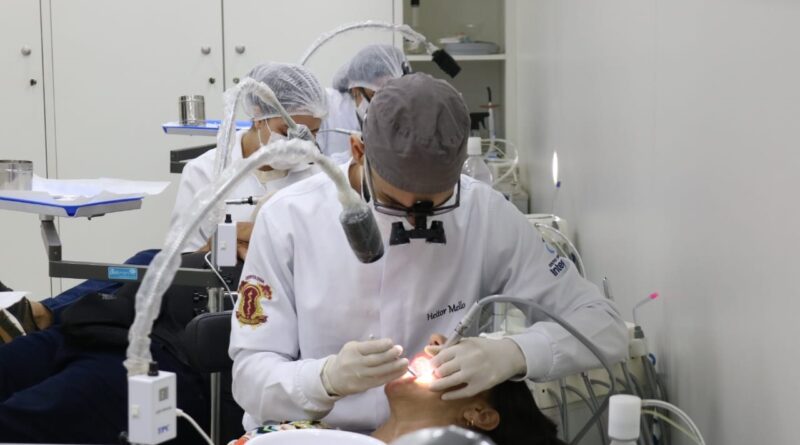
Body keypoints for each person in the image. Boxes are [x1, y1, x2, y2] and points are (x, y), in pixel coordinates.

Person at [229, 73, 628, 432]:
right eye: (393, 202)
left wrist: (514, 352)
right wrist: (324, 379)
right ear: (358, 149)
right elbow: (249, 377)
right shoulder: (287, 219)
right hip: (316, 433)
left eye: (432, 207)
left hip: (426, 436)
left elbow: (603, 326)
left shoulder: (484, 214)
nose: (412, 222)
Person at [173, 62, 328, 254]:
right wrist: (224, 246)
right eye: (286, 132)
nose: (297, 145)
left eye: (312, 133)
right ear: (258, 116)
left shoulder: (318, 175)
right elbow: (185, 258)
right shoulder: (204, 171)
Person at [318, 44, 409, 163]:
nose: (384, 104)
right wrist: (353, 158)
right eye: (375, 95)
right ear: (355, 90)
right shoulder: (326, 107)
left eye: (390, 96)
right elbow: (310, 165)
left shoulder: (405, 113)